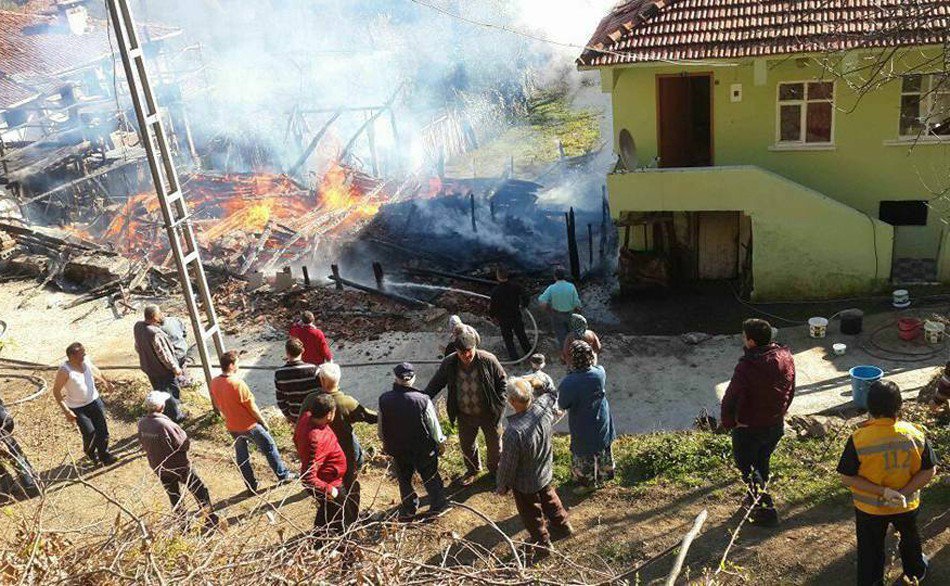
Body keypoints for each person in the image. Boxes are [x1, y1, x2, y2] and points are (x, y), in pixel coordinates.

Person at [837, 380, 938, 586]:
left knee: (870, 548)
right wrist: (903, 493)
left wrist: (884, 492)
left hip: (870, 509)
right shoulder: (915, 434)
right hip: (906, 504)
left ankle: (871, 581)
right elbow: (929, 470)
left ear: (869, 407)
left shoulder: (859, 438)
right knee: (909, 539)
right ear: (899, 405)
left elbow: (847, 478)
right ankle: (915, 572)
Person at [720, 318, 795, 520]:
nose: (743, 340)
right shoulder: (785, 356)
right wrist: (782, 410)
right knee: (762, 461)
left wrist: (729, 422)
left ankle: (765, 510)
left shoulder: (748, 367)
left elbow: (731, 397)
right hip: (774, 424)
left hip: (749, 427)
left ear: (751, 342)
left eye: (744, 337)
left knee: (747, 466)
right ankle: (754, 498)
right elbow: (790, 387)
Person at [496, 377, 571, 559]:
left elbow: (508, 465)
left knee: (531, 514)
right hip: (544, 470)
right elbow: (553, 392)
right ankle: (563, 525)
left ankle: (542, 543)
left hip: (524, 483)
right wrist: (537, 382)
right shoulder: (543, 408)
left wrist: (502, 485)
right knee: (550, 498)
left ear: (512, 402)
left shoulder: (514, 432)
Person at [424, 325, 507, 486]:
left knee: (495, 446)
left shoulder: (488, 360)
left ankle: (496, 471)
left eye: (469, 351)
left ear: (475, 347)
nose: (466, 355)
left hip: (489, 414)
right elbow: (436, 383)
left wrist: (499, 406)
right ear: (457, 351)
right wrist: (421, 399)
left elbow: (502, 382)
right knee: (467, 446)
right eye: (462, 352)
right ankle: (473, 470)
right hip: (464, 415)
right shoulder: (450, 363)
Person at [300, 362, 377, 527]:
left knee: (332, 494)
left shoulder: (310, 400)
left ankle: (333, 522)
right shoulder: (346, 402)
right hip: (345, 455)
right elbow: (369, 417)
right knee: (350, 488)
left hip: (323, 461)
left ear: (321, 380)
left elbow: (300, 422)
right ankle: (350, 520)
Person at [209, 351, 295, 492]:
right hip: (250, 425)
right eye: (236, 362)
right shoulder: (237, 383)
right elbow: (252, 407)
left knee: (242, 457)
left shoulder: (214, 382)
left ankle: (251, 486)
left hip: (232, 425)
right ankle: (283, 475)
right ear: (231, 365)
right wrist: (263, 422)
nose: (238, 365)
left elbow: (217, 403)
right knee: (269, 447)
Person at [379, 363, 448, 521]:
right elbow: (434, 427)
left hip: (398, 449)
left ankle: (409, 507)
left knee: (404, 478)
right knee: (430, 477)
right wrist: (441, 442)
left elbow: (381, 427)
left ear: (396, 378)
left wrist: (385, 443)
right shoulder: (423, 400)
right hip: (423, 448)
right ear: (413, 378)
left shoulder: (384, 399)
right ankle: (437, 506)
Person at [137, 391, 217, 526]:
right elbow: (184, 444)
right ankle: (209, 519)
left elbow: (142, 442)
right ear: (161, 407)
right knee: (199, 490)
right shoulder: (167, 425)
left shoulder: (142, 423)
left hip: (159, 467)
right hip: (179, 466)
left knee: (174, 496)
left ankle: (182, 525)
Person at [558, 340, 615, 492]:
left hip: (582, 422)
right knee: (602, 446)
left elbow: (563, 404)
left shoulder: (568, 382)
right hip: (601, 417)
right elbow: (594, 365)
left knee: (584, 454)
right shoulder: (599, 373)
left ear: (572, 359)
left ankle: (587, 483)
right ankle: (605, 475)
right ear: (590, 356)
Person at [51, 342, 116, 466]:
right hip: (78, 408)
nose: (84, 355)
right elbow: (56, 392)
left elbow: (95, 371)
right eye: (81, 354)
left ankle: (104, 455)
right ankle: (91, 453)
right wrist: (66, 410)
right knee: (90, 433)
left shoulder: (85, 361)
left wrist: (106, 382)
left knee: (102, 431)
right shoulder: (65, 370)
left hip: (94, 401)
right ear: (72, 356)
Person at [294, 393, 347, 531]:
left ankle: (318, 541)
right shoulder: (314, 438)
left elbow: (295, 438)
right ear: (329, 414)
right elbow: (307, 477)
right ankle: (338, 544)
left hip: (330, 477)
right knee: (337, 515)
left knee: (326, 511)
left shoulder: (306, 417)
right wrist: (331, 491)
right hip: (329, 483)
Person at [134, 305, 185, 422]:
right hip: (162, 370)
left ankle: (164, 412)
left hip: (148, 368)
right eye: (159, 314)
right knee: (171, 392)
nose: (161, 315)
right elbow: (164, 355)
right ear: (154, 317)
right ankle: (177, 416)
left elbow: (137, 346)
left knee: (159, 391)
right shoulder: (155, 333)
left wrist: (146, 357)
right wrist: (175, 368)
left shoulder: (138, 326)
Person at [274, 337, 321, 424]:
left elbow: (280, 400)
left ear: (287, 353)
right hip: (314, 413)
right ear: (302, 351)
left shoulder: (279, 373)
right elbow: (321, 392)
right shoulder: (314, 370)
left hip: (296, 416)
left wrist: (288, 415)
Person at [490, 266, 531, 362]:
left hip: (504, 319)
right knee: (522, 336)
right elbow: (526, 295)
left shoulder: (496, 291)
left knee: (508, 340)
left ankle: (514, 359)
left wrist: (492, 316)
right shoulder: (515, 286)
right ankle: (530, 354)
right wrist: (524, 305)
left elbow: (493, 306)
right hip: (516, 315)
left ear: (498, 276)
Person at [0, 396, 38, 496]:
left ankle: (29, 481)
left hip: (3, 422)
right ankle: (11, 483)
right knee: (12, 451)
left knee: (12, 452)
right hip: (4, 420)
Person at [538, 267, 581, 350]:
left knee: (561, 337)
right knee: (572, 334)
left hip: (557, 315)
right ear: (564, 276)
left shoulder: (551, 288)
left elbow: (542, 301)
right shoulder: (571, 286)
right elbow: (577, 303)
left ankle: (565, 354)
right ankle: (574, 352)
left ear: (555, 277)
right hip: (570, 314)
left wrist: (548, 310)